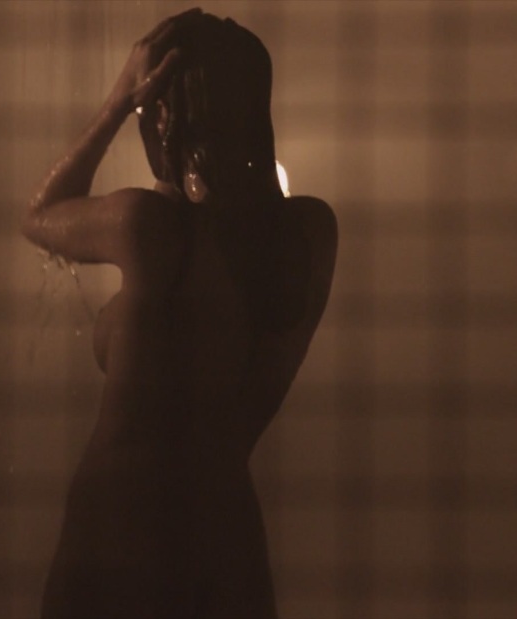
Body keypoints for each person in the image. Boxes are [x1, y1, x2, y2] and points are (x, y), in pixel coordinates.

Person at [22, 8, 337, 618]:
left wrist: (119, 100)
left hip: (118, 531)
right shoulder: (306, 237)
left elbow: (39, 215)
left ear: (162, 115)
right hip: (226, 540)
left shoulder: (146, 227)